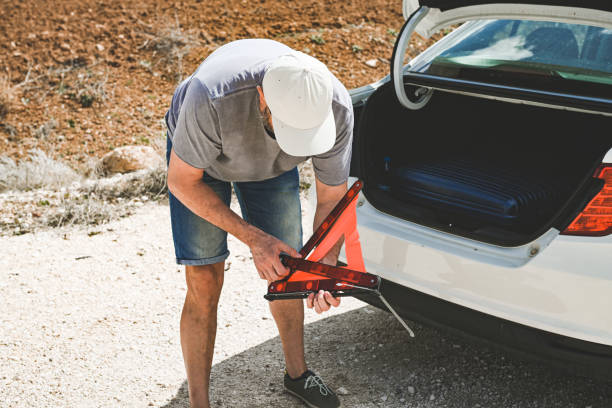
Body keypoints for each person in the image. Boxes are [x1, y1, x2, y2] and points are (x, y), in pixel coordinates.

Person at [165, 38, 353, 408]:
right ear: (263, 98)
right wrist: (253, 238)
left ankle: (298, 375)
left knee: (289, 269)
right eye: (287, 129)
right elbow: (182, 181)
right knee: (204, 277)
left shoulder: (335, 106)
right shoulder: (211, 96)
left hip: (270, 170)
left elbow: (331, 199)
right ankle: (198, 403)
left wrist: (324, 265)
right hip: (200, 169)